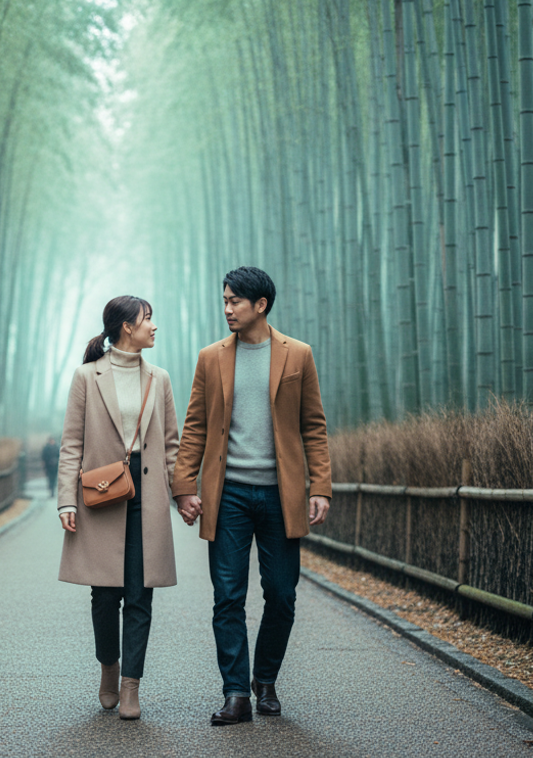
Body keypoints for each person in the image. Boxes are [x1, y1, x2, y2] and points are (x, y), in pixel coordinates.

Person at [170, 266, 332, 726]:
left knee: (281, 594)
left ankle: (266, 679)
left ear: (260, 305)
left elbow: (313, 427)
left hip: (282, 495)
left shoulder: (298, 355)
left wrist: (319, 486)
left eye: (234, 301)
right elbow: (196, 426)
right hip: (230, 495)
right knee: (228, 596)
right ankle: (236, 692)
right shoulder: (211, 357)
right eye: (224, 301)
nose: (227, 309)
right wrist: (184, 487)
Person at [56, 295, 181, 721]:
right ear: (127, 326)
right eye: (149, 319)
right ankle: (109, 666)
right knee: (105, 596)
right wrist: (65, 501)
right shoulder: (87, 376)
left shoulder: (159, 378)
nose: (154, 326)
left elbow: (172, 448)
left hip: (146, 500)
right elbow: (71, 443)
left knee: (140, 596)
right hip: (101, 496)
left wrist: (183, 494)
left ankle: (131, 687)